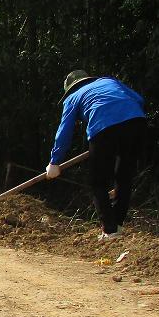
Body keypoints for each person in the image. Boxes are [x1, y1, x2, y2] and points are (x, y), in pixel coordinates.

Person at [45, 69, 147, 241]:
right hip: (137, 122)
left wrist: (54, 162)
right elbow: (139, 99)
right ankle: (117, 226)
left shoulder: (73, 97)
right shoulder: (109, 81)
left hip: (103, 126)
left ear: (70, 88)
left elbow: (64, 131)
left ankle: (110, 230)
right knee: (123, 177)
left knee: (97, 181)